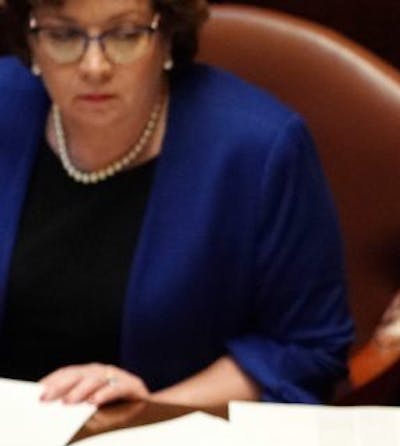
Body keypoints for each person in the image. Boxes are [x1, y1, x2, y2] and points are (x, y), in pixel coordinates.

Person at [0, 0, 353, 406]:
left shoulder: (260, 148)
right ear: (31, 41)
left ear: (166, 36)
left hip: (174, 443)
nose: (94, 66)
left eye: (126, 35)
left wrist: (152, 409)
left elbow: (304, 349)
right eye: (63, 36)